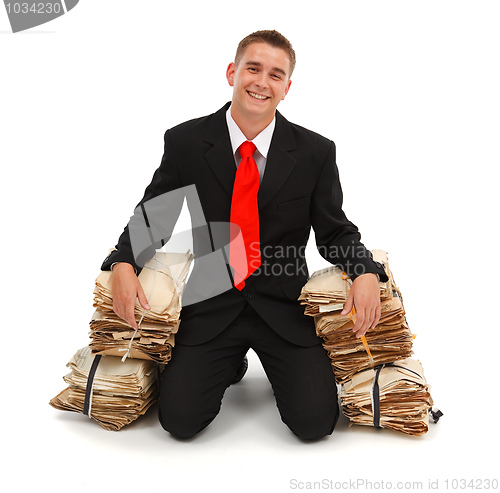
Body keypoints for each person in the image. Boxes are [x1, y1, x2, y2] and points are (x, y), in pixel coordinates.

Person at [102, 30, 388, 440]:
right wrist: (123, 262)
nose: (261, 82)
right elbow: (155, 214)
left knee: (315, 426)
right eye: (253, 68)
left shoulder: (315, 152)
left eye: (276, 74)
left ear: (286, 88)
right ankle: (231, 362)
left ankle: (277, 365)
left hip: (285, 305)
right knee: (179, 423)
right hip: (213, 302)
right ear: (232, 72)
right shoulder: (185, 141)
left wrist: (365, 271)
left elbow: (334, 230)